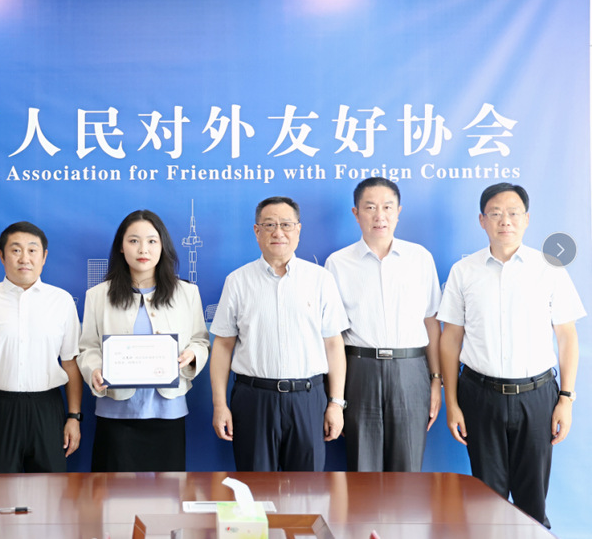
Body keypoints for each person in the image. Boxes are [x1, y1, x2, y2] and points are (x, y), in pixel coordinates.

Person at [438, 183, 584, 528]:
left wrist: (565, 399)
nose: (505, 220)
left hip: (537, 396)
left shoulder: (550, 267)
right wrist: (452, 402)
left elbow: (567, 336)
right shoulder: (464, 271)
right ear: (482, 220)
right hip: (479, 395)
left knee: (533, 500)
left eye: (513, 213)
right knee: (487, 500)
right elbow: (450, 339)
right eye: (495, 213)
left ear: (526, 219)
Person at [210, 196, 348, 471]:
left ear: (298, 229)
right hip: (253, 400)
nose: (278, 232)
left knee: (308, 489)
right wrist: (219, 405)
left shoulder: (320, 279)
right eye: (269, 225)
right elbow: (223, 346)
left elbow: (334, 344)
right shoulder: (238, 281)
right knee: (255, 488)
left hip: (308, 399)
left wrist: (335, 404)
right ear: (256, 231)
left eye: (286, 224)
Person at [77, 209, 209, 472]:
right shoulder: (98, 295)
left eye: (151, 241)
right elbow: (88, 347)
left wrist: (192, 356)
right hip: (115, 412)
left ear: (162, 246)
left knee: (168, 492)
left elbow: (200, 340)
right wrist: (94, 370)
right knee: (113, 492)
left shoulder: (187, 293)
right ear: (121, 247)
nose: (143, 249)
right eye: (133, 241)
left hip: (168, 411)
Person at [325, 177, 442, 472]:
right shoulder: (338, 263)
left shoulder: (420, 258)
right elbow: (332, 335)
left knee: (408, 468)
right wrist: (335, 397)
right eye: (370, 207)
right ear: (356, 213)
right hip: (359, 371)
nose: (380, 216)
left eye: (388, 207)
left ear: (398, 211)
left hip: (411, 371)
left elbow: (431, 322)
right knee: (363, 469)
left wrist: (435, 379)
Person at [0, 221, 83, 473]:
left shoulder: (62, 301)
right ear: (2, 256)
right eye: (15, 250)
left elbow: (70, 363)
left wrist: (74, 417)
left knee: (52, 489)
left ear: (44, 257)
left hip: (48, 409)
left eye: (32, 250)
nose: (24, 258)